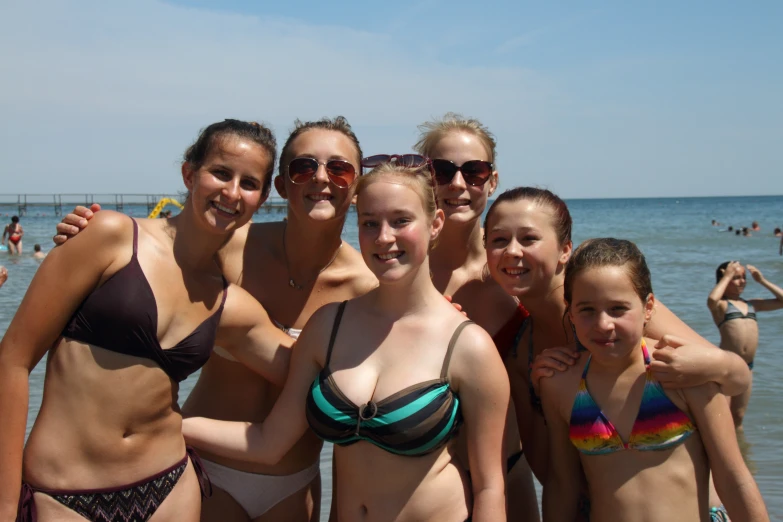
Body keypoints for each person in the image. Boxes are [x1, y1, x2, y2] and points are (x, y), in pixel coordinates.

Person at [53, 117, 378, 522]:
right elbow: (148, 259)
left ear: (357, 185)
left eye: (340, 169)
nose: (321, 178)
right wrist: (86, 234)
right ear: (280, 185)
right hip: (201, 467)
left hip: (294, 484)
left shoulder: (370, 287)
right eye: (303, 167)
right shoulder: (229, 247)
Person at [1, 119, 296, 522]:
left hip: (167, 490)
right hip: (62, 493)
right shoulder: (111, 237)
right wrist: (4, 502)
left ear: (261, 199)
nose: (232, 192)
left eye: (249, 183)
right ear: (190, 173)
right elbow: (13, 363)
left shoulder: (231, 305)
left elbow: (306, 371)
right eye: (221, 173)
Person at [183, 159, 510, 522]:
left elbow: (489, 487)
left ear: (434, 225)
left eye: (401, 221)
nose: (384, 237)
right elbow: (269, 443)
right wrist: (164, 426)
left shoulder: (469, 345)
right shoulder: (328, 326)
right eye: (370, 223)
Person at [481, 187, 752, 485]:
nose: (512, 251)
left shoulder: (618, 308)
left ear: (565, 250)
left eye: (529, 238)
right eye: (499, 240)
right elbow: (550, 472)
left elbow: (733, 380)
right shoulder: (522, 352)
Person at [541, 238, 768, 522]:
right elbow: (563, 485)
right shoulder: (561, 384)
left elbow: (733, 476)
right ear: (570, 310)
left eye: (618, 309)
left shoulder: (682, 373)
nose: (603, 324)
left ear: (648, 307)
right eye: (587, 309)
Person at [414, 113, 539, 521]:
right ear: (424, 174)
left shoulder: (517, 271)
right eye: (442, 170)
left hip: (509, 474)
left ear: (493, 180)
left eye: (474, 171)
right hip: (421, 486)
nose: (458, 184)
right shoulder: (398, 272)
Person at [707, 261, 783, 428]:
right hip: (727, 366)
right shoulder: (722, 305)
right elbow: (712, 299)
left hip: (747, 367)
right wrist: (727, 276)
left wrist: (762, 280)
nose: (742, 281)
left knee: (739, 416)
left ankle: (742, 450)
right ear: (725, 279)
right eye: (736, 278)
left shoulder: (752, 305)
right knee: (722, 415)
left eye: (743, 278)